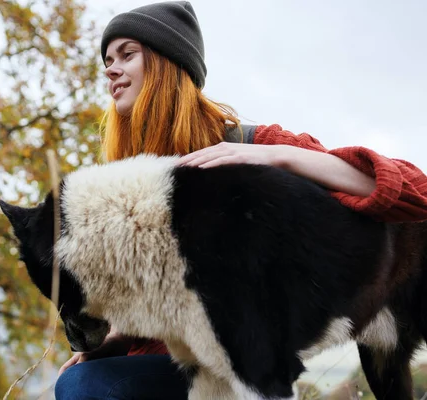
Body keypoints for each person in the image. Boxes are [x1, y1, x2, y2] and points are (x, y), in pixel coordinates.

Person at [54, 1, 427, 399]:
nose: (111, 68)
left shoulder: (249, 146)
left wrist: (279, 157)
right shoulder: (126, 186)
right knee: (79, 384)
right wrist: (114, 340)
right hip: (178, 366)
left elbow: (417, 193)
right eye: (107, 59)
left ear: (169, 63)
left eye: (127, 54)